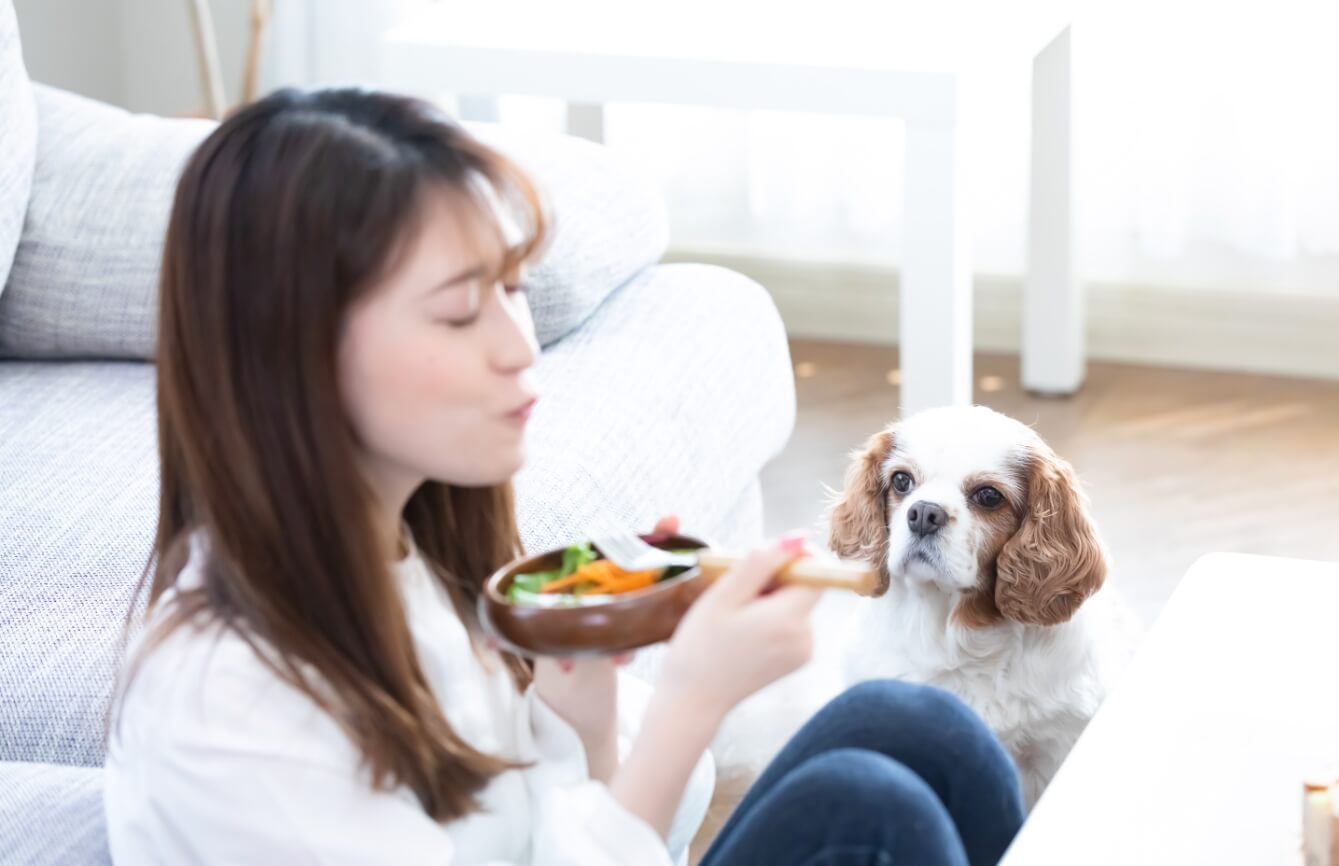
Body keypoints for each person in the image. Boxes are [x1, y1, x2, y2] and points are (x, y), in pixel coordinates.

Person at [104, 87, 1026, 866]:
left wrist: (576, 703)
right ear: (294, 353)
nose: (520, 346)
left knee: (914, 724)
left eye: (513, 290)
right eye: (463, 310)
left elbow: (557, 833)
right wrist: (693, 698)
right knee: (866, 810)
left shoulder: (406, 558)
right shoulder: (226, 701)